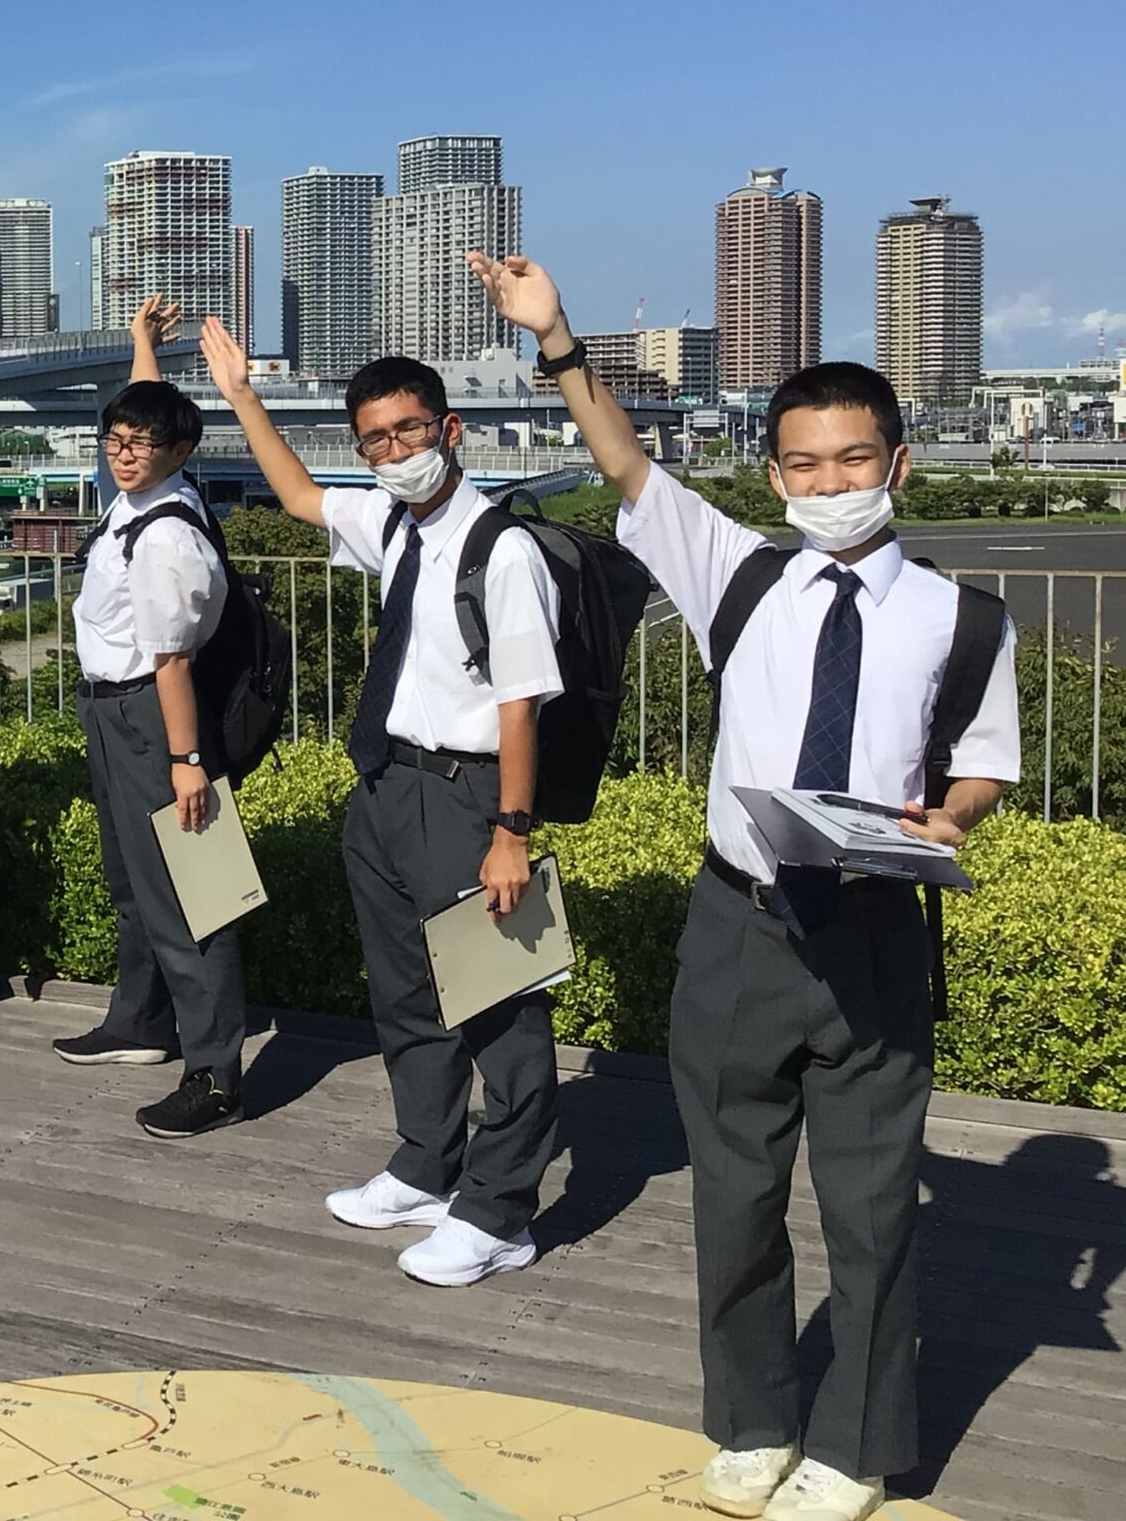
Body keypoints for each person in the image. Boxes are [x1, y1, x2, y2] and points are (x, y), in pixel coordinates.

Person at [473, 250, 1019, 1521]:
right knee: (734, 1192)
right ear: (774, 474)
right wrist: (557, 339)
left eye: (852, 459)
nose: (829, 484)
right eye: (804, 464)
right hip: (738, 919)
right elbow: (625, 465)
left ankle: (858, 1448)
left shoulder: (964, 618)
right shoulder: (741, 572)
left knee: (872, 1207)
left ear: (897, 464)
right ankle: (754, 1419)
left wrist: (950, 816)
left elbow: (985, 762)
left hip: (873, 924)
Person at [199, 315, 564, 1287]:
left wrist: (511, 831)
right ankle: (426, 1164)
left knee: (498, 1005)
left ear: (450, 430)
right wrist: (242, 397)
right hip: (388, 786)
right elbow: (298, 496)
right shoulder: (395, 525)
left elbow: (522, 705)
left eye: (409, 431)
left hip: (469, 796)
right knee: (406, 994)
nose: (395, 452)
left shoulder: (501, 550)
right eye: (375, 440)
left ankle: (500, 1211)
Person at [53, 298, 242, 1140]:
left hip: (155, 718)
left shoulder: (167, 535)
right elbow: (148, 412)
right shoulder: (140, 498)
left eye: (141, 445)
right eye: (114, 440)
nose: (124, 453)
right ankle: (140, 1020)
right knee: (134, 881)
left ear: (180, 454)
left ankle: (215, 1071)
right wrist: (141, 348)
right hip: (114, 712)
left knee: (190, 892)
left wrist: (186, 759)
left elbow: (172, 662)